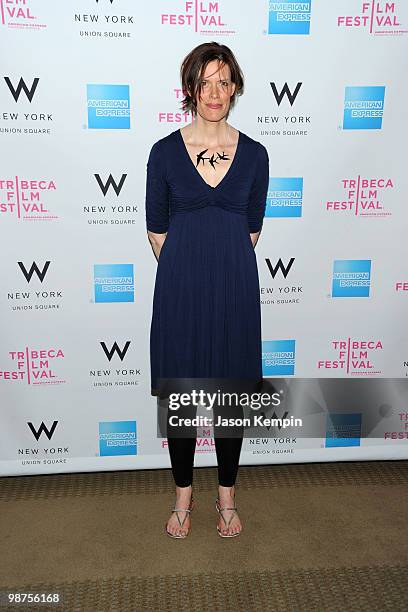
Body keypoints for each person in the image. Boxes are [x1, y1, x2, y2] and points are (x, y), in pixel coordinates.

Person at [145, 42, 269, 539]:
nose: (214, 92)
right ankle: (182, 497)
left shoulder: (256, 154)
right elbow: (157, 231)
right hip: (180, 291)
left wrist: (220, 271)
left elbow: (252, 231)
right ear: (190, 88)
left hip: (235, 291)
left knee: (231, 398)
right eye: (204, 82)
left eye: (223, 81)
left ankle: (226, 498)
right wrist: (187, 274)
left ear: (234, 87)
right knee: (182, 396)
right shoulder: (163, 152)